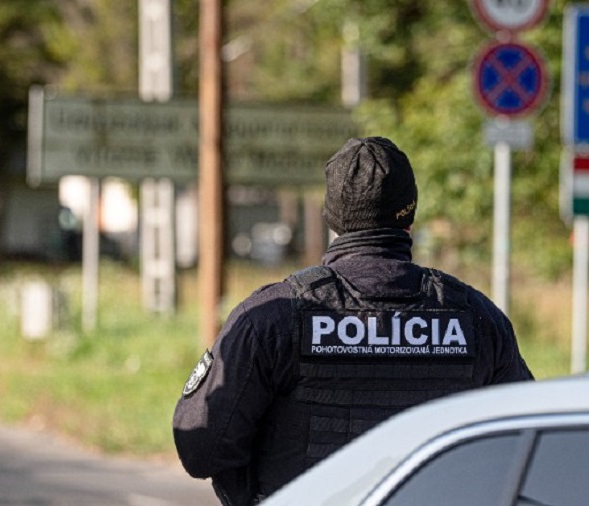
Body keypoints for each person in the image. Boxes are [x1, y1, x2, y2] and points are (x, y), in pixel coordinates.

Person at [172, 136, 535, 505]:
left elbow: (201, 448)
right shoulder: (477, 319)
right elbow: (523, 443)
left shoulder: (272, 318)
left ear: (331, 217)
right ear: (409, 215)